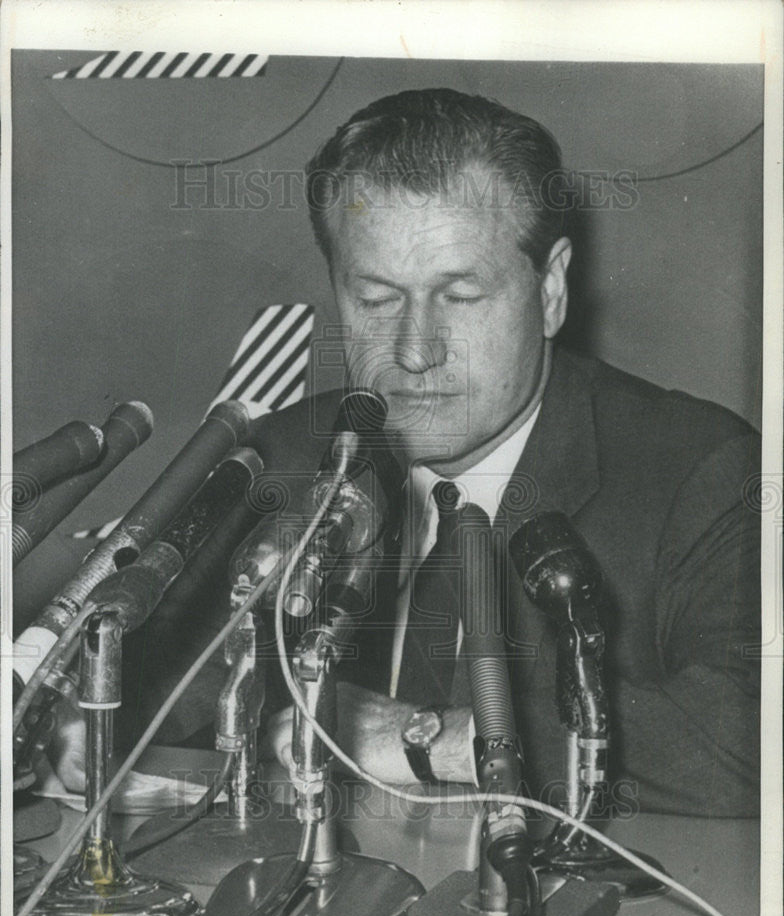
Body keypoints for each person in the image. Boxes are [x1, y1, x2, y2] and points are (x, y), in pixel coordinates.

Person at [54, 88, 761, 818]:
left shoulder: (699, 469)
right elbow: (164, 684)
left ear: (549, 289)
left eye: (458, 296)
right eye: (378, 299)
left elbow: (758, 728)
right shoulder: (281, 459)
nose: (414, 352)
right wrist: (88, 716)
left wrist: (447, 741)